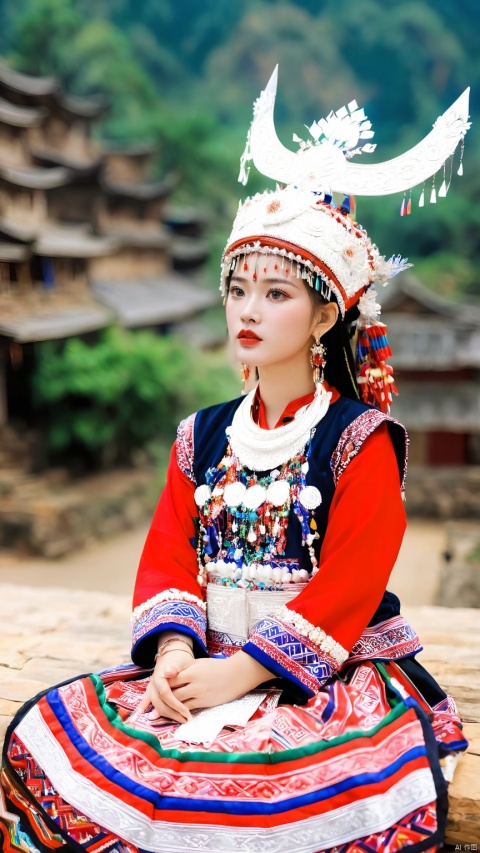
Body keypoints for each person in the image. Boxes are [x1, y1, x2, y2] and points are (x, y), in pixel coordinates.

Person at [0, 69, 471, 853]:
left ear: (326, 313)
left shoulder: (360, 440)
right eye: (237, 288)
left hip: (321, 672)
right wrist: (180, 654)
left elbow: (348, 585)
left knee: (280, 798)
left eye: (277, 294)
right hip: (204, 659)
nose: (248, 310)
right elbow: (168, 555)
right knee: (54, 745)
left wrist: (245, 673)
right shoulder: (201, 436)